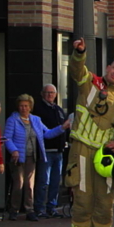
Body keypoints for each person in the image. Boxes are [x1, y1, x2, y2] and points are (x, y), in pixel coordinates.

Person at [65, 38, 114, 227]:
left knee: (104, 204)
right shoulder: (89, 84)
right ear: (107, 69)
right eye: (113, 68)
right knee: (82, 203)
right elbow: (76, 69)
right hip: (81, 151)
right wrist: (79, 52)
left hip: (105, 158)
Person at [4, 93, 70, 221]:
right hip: (18, 157)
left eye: (26, 106)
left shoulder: (36, 120)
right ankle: (14, 209)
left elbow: (48, 134)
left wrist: (62, 128)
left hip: (31, 157)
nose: (24, 108)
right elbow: (7, 138)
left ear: (30, 107)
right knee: (19, 184)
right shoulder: (13, 120)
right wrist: (14, 150)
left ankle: (29, 209)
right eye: (21, 106)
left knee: (29, 185)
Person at [34, 84, 69, 218]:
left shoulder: (58, 109)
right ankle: (40, 208)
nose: (50, 95)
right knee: (44, 181)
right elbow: (44, 133)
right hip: (46, 151)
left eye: (52, 93)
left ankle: (52, 207)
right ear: (42, 94)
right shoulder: (38, 109)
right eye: (47, 92)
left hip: (59, 151)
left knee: (55, 182)